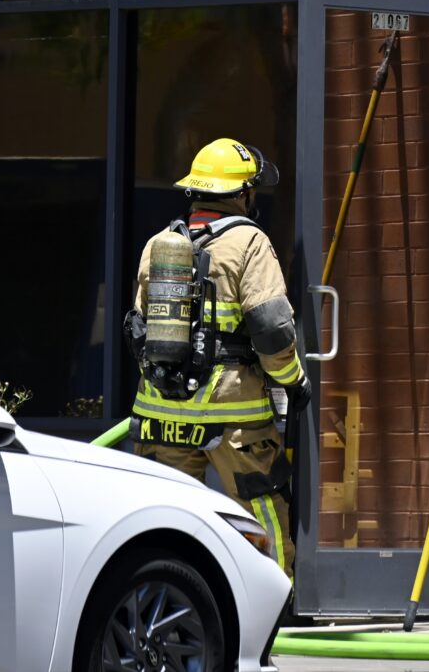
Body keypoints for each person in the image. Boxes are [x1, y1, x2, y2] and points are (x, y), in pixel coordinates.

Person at [129, 138, 310, 578]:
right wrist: (294, 381)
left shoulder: (159, 244)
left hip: (161, 413)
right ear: (243, 194)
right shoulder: (249, 242)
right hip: (233, 417)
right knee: (261, 510)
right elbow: (272, 330)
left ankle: (172, 597)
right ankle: (275, 600)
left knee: (168, 522)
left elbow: (139, 329)